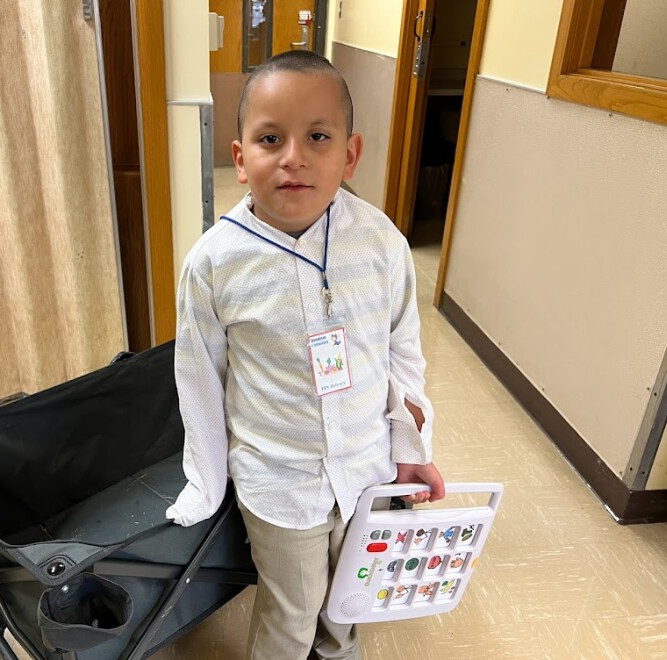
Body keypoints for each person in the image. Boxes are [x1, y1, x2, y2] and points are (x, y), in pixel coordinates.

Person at [165, 50, 445, 660]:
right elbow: (199, 380)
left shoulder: (380, 243)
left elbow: (402, 349)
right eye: (270, 138)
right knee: (292, 615)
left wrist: (410, 450)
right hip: (280, 481)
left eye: (318, 136)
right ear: (240, 159)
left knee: (348, 603)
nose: (293, 157)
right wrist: (207, 482)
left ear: (349, 154)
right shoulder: (215, 263)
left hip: (367, 468)